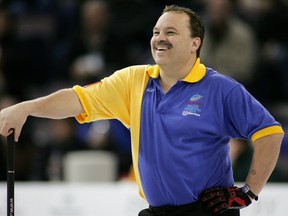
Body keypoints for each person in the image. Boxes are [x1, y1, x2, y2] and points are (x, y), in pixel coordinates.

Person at [0, 5, 284, 216]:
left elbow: (270, 133)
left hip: (207, 212)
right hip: (157, 211)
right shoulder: (132, 81)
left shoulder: (221, 89)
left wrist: (247, 193)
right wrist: (27, 108)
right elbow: (76, 99)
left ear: (195, 43)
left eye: (170, 32)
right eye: (156, 32)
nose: (160, 38)